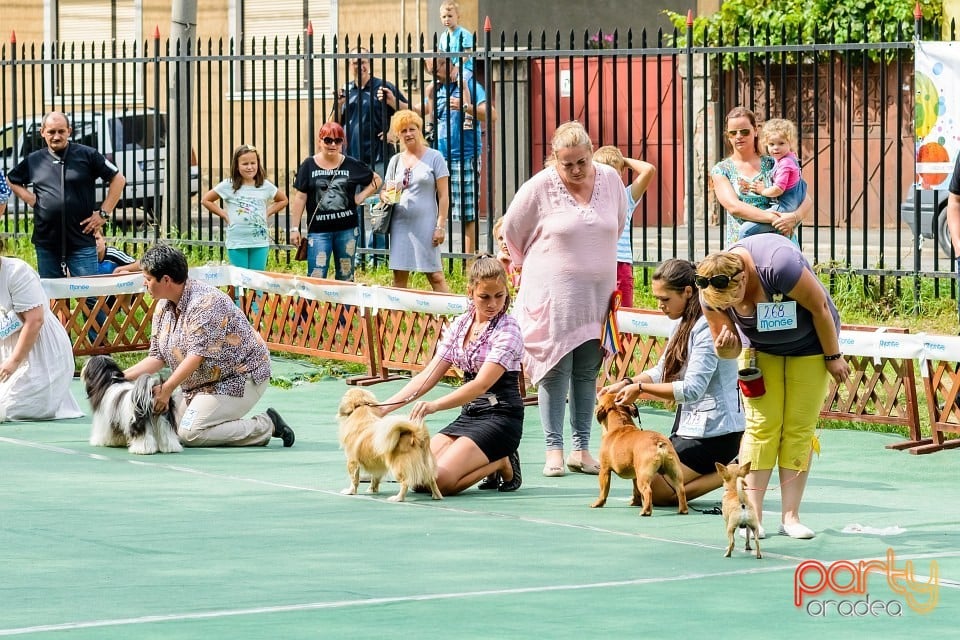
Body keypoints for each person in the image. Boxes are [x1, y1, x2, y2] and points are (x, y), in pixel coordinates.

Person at [697, 234, 850, 539]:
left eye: (733, 299)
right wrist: (724, 346)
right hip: (758, 352)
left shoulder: (777, 264)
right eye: (723, 305)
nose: (730, 307)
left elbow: (819, 307)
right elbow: (728, 351)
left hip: (811, 346)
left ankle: (790, 517)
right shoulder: (710, 291)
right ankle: (752, 514)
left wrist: (833, 357)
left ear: (742, 277)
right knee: (761, 427)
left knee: (798, 428)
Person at [501, 121, 627, 477]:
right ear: (554, 158)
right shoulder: (539, 186)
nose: (574, 170)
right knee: (555, 370)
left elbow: (616, 224)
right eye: (566, 163)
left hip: (596, 297)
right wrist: (525, 262)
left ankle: (581, 448)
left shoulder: (610, 179)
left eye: (581, 162)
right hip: (552, 296)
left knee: (587, 371)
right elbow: (512, 228)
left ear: (591, 153)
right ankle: (553, 449)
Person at [597, 259, 744, 504]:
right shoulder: (682, 323)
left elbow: (692, 389)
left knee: (658, 493)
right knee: (646, 477)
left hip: (717, 433)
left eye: (665, 299)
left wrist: (641, 389)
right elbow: (662, 368)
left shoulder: (707, 328)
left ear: (688, 292)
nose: (660, 305)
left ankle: (733, 469)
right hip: (691, 429)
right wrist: (628, 382)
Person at [122, 244, 295, 448]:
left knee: (190, 433)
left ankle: (266, 425)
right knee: (166, 423)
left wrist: (167, 389)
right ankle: (216, 418)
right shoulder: (163, 306)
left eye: (148, 279)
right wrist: (117, 378)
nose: (144, 284)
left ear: (166, 280)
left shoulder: (206, 303)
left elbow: (197, 356)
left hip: (239, 378)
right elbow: (157, 356)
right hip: (201, 384)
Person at [379, 256, 523, 495]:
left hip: (501, 418)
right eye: (484, 297)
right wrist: (384, 407)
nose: (493, 304)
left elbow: (480, 385)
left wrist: (435, 405)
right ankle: (491, 460)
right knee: (417, 476)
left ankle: (501, 461)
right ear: (470, 292)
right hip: (470, 415)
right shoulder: (459, 326)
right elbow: (428, 375)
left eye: (499, 296)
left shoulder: (508, 329)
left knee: (440, 483)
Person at [6, 111, 126, 279]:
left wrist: (103, 214)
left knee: (89, 297)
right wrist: (31, 199)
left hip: (81, 241)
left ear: (69, 131)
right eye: (51, 132)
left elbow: (118, 180)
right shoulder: (34, 160)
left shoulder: (88, 155)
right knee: (52, 296)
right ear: (42, 132)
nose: (56, 136)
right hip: (47, 242)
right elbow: (11, 179)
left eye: (61, 131)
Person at [337, 48, 409, 263]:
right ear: (350, 65)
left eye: (365, 61)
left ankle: (379, 257)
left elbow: (409, 114)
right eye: (357, 62)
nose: (362, 65)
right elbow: (332, 123)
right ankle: (357, 255)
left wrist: (393, 131)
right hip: (352, 160)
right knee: (353, 207)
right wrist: (337, 103)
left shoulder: (383, 87)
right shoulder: (346, 91)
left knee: (385, 206)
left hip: (383, 158)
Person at [0, 237, 83, 423]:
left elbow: (35, 321)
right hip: (6, 350)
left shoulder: (17, 272)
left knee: (8, 406)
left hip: (41, 355)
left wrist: (13, 362)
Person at [422, 56, 495, 257]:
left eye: (435, 70)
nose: (433, 75)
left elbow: (492, 114)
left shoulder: (469, 83)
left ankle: (468, 263)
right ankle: (433, 259)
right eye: (430, 72)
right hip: (438, 157)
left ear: (446, 63)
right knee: (433, 207)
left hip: (465, 156)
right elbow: (426, 112)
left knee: (467, 213)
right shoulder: (436, 88)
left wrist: (466, 107)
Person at [289, 122, 380, 281]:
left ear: (342, 143)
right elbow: (300, 197)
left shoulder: (351, 164)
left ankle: (345, 307)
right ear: (320, 141)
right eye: (328, 140)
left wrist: (360, 197)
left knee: (345, 274)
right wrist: (294, 228)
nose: (333, 144)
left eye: (338, 141)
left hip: (347, 230)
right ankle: (311, 306)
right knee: (316, 275)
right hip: (318, 232)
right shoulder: (308, 165)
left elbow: (377, 180)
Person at [710, 107, 810, 246]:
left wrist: (794, 217)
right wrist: (774, 218)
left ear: (755, 131)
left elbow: (805, 198)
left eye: (744, 131)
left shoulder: (774, 162)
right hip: (743, 245)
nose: (739, 136)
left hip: (779, 241)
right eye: (733, 133)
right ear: (728, 136)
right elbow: (734, 207)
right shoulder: (721, 170)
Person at [383, 110, 451, 292]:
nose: (408, 134)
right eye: (403, 130)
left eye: (412, 129)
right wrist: (386, 195)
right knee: (399, 277)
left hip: (427, 224)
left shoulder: (435, 157)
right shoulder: (395, 160)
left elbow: (444, 195)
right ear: (398, 135)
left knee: (435, 276)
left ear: (419, 130)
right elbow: (388, 196)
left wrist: (440, 226)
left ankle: (451, 318)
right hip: (400, 224)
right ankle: (397, 320)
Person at [201, 144, 288, 270]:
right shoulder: (228, 185)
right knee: (240, 281)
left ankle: (255, 291)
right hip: (237, 242)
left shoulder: (265, 185)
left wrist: (267, 213)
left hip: (259, 242)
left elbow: (283, 200)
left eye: (253, 163)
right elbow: (206, 200)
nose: (250, 167)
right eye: (245, 164)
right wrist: (224, 214)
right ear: (236, 166)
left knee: (257, 280)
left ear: (258, 164)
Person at [592, 146, 656, 307]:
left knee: (624, 314)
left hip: (621, 264)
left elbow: (648, 169)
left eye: (615, 174)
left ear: (621, 174)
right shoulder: (591, 198)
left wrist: (622, 161)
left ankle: (624, 334)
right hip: (597, 264)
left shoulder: (627, 197)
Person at [739, 118, 809, 239]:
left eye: (781, 143)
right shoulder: (788, 158)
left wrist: (762, 190)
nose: (776, 148)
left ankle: (740, 256)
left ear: (790, 143)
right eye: (771, 144)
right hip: (789, 205)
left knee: (745, 231)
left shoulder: (785, 164)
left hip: (784, 207)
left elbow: (778, 190)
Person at [437, 0, 476, 130]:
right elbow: (442, 55)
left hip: (464, 66)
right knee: (433, 86)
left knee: (462, 81)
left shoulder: (465, 34)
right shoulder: (443, 36)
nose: (447, 19)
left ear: (457, 17)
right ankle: (434, 120)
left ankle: (468, 115)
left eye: (450, 16)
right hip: (450, 68)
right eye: (444, 17)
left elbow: (468, 53)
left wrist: (457, 67)